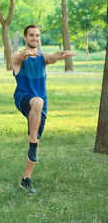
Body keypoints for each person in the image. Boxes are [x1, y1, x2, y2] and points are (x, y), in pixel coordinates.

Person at [11, 24, 77, 195]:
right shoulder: (16, 56)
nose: (35, 38)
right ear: (25, 37)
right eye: (31, 35)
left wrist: (60, 55)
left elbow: (53, 56)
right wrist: (25, 54)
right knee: (37, 102)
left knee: (37, 133)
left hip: (40, 105)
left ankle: (26, 179)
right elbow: (19, 57)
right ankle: (32, 141)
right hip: (23, 97)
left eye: (37, 35)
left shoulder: (43, 57)